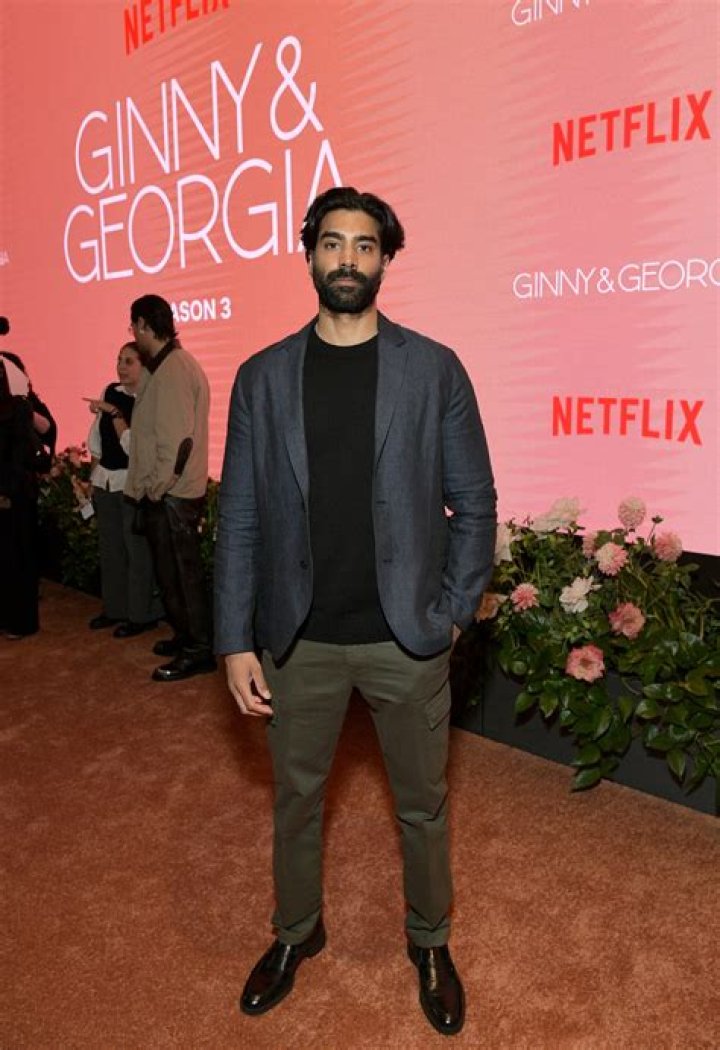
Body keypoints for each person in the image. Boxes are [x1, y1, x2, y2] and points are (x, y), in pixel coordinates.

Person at [214, 187, 497, 1036]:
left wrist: (453, 613)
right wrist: (233, 639)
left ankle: (430, 941)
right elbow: (240, 517)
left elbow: (475, 503)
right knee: (296, 801)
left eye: (365, 245)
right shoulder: (262, 377)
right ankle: (296, 931)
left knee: (422, 805)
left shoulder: (434, 369)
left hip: (406, 639)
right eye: (332, 243)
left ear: (385, 259)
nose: (347, 259)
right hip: (297, 638)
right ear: (309, 255)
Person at [124, 295, 215, 682]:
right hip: (167, 492)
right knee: (171, 574)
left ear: (144, 325)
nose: (133, 334)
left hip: (173, 494)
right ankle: (186, 636)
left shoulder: (175, 369)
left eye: (134, 327)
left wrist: (157, 487)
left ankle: (198, 649)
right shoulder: (162, 367)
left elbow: (177, 442)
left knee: (182, 575)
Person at [86, 341, 163, 636]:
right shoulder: (110, 391)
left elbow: (138, 450)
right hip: (105, 481)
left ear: (145, 365)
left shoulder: (148, 399)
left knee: (137, 552)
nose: (121, 367)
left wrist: (116, 414)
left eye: (129, 361)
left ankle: (140, 615)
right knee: (111, 550)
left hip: (132, 484)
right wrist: (92, 478)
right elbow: (96, 439)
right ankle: (114, 609)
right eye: (119, 360)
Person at [0, 356, 43, 638]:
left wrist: (5, 492)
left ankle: (21, 623)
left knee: (17, 559)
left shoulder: (18, 409)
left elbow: (19, 455)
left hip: (15, 495)